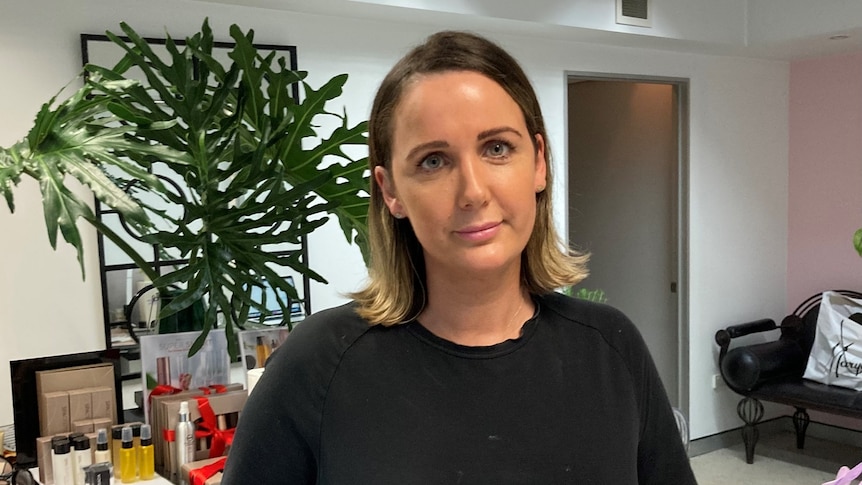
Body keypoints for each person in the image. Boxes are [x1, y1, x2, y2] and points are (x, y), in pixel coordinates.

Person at [222, 31, 696, 484]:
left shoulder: (610, 347)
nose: (472, 191)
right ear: (391, 192)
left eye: (496, 148)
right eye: (433, 160)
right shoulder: (315, 368)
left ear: (537, 162)